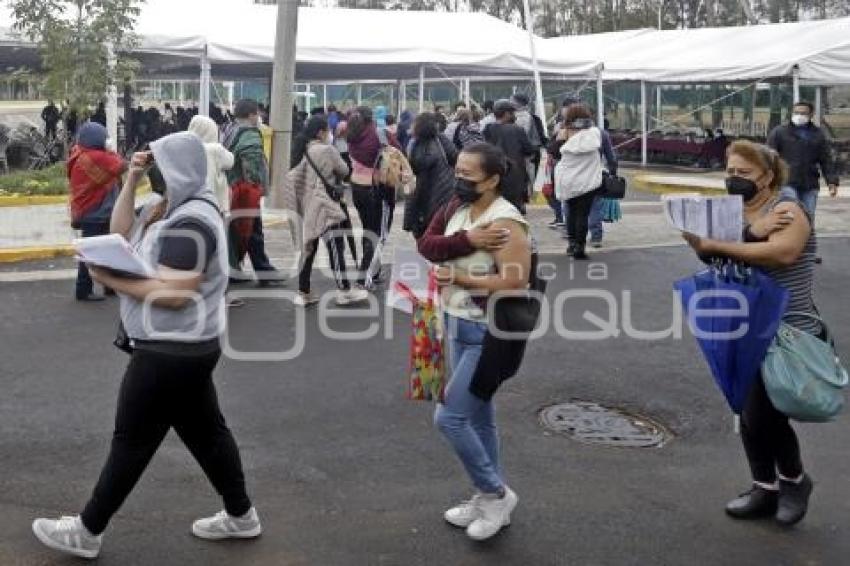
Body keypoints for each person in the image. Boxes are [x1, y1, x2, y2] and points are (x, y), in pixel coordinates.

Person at [32, 133, 262, 559]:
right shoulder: (166, 206)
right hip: (182, 347)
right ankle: (241, 514)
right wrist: (131, 178)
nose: (151, 168)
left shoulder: (192, 221)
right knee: (208, 433)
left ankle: (88, 529)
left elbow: (174, 293)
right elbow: (120, 232)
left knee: (132, 441)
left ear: (179, 170)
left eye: (157, 163)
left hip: (169, 351)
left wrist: (110, 280)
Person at [681, 140, 819, 527]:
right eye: (730, 171)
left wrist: (728, 240)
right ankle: (764, 486)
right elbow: (707, 252)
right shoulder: (732, 212)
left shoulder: (787, 207)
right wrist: (742, 235)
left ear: (768, 175)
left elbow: (785, 253)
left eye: (744, 173)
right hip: (738, 321)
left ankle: (794, 481)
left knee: (764, 413)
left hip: (783, 325)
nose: (734, 179)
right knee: (746, 410)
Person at [417, 142, 530, 542]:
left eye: (468, 175)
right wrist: (467, 240)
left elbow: (516, 281)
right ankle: (488, 498)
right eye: (458, 171)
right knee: (480, 416)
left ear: (493, 179)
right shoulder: (457, 209)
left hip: (487, 331)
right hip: (456, 324)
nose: (459, 180)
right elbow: (428, 244)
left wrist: (463, 279)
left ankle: (495, 492)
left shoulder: (508, 222)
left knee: (450, 417)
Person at [285, 116, 369, 307]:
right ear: (321, 132)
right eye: (327, 131)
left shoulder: (302, 150)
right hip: (326, 205)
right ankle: (344, 291)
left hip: (309, 207)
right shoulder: (326, 150)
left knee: (309, 248)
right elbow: (344, 170)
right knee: (335, 247)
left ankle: (303, 291)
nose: (329, 134)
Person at [223, 99, 285, 286]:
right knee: (253, 230)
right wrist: (255, 186)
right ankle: (264, 272)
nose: (259, 117)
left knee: (238, 231)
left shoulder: (229, 129)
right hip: (245, 192)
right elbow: (251, 162)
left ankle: (234, 271)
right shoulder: (249, 134)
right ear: (251, 115)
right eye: (257, 113)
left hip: (232, 188)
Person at [67, 122, 127, 301]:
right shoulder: (97, 157)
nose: (107, 140)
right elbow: (122, 165)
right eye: (104, 137)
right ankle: (84, 290)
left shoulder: (79, 153)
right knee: (95, 252)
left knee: (103, 250)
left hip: (90, 211)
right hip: (97, 211)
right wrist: (111, 151)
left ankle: (108, 287)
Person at [346, 105, 401, 286]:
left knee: (368, 230)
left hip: (357, 188)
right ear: (373, 118)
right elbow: (399, 153)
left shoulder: (351, 135)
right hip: (378, 190)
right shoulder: (379, 134)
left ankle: (374, 272)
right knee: (378, 234)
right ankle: (364, 276)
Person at [766, 101, 839, 219]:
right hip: (787, 182)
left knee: (808, 216)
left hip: (809, 183)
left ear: (811, 115)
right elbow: (768, 156)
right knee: (791, 215)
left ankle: (809, 236)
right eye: (796, 112)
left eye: (803, 113)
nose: (799, 116)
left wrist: (832, 182)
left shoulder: (818, 134)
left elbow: (826, 159)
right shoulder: (779, 132)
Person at [551, 103, 603, 260]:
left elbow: (553, 153)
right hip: (588, 180)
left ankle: (571, 244)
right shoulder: (595, 133)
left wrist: (560, 139)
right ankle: (580, 246)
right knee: (583, 214)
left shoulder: (564, 133)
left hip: (568, 180)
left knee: (571, 213)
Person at [404, 112, 458, 238]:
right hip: (444, 187)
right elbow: (456, 158)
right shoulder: (441, 139)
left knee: (426, 222)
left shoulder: (413, 144)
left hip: (422, 188)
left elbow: (411, 167)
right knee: (440, 222)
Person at [482, 99, 535, 214]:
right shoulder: (517, 130)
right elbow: (529, 150)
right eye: (512, 112)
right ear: (506, 113)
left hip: (493, 176)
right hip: (515, 177)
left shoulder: (487, 130)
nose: (514, 115)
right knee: (514, 211)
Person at [188, 115, 234, 213]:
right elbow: (231, 162)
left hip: (191, 200)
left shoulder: (188, 148)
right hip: (214, 200)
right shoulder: (215, 149)